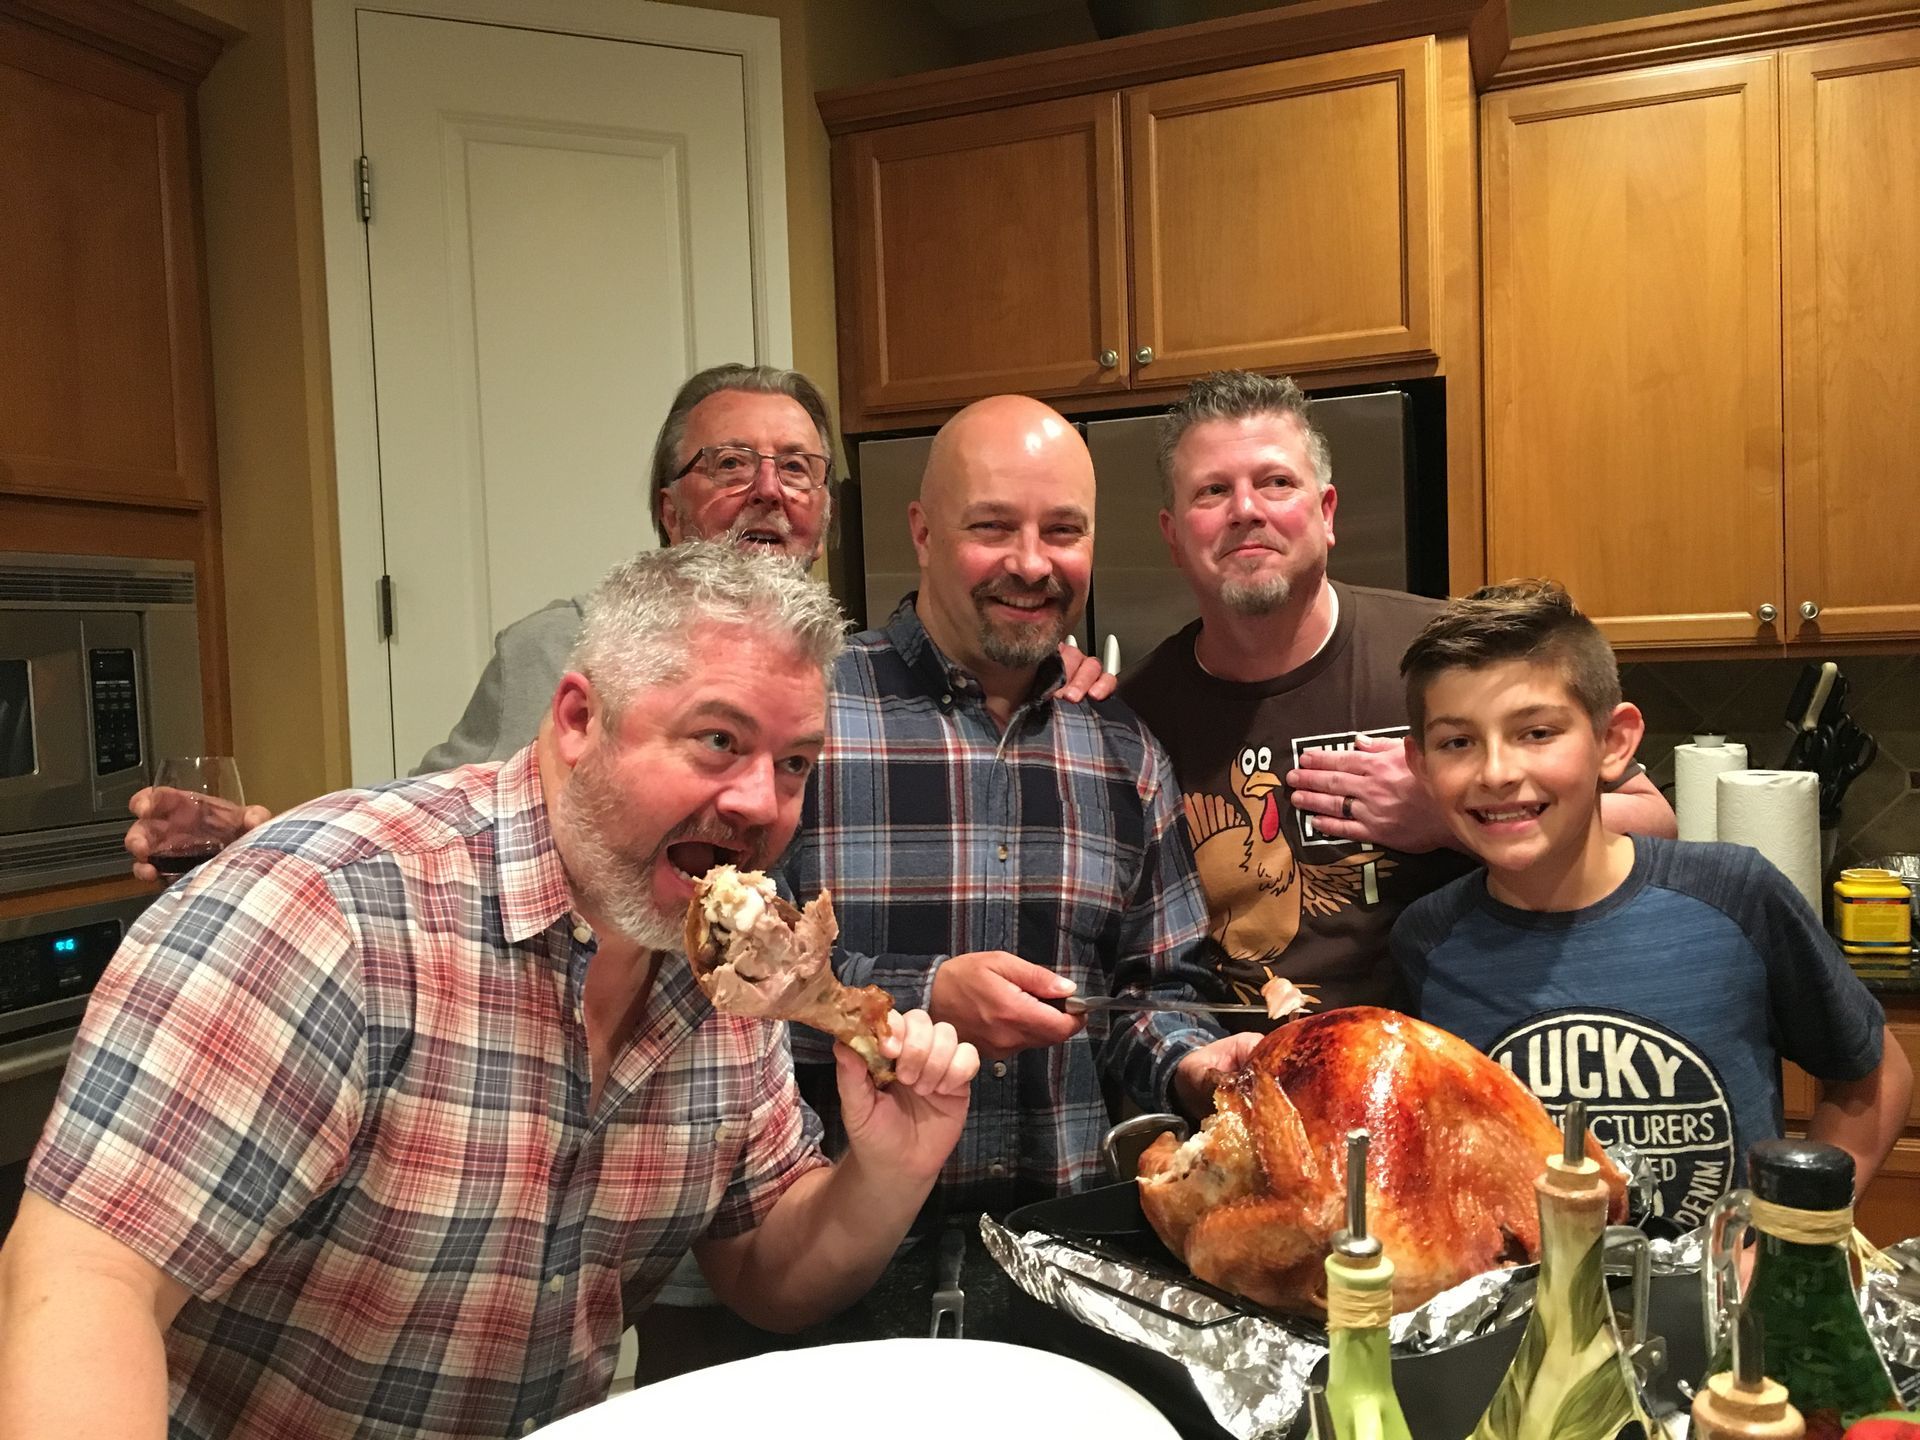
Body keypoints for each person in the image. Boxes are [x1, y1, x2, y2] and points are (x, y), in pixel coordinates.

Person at [0, 544, 979, 1438]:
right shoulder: (327, 910)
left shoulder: (726, 968)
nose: (763, 803)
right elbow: (82, 1279)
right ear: (579, 719)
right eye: (718, 740)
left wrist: (888, 1171)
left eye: (794, 762)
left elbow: (764, 1268)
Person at [123, 363, 1111, 878]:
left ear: (824, 515)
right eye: (730, 465)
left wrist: (1039, 674)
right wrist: (267, 842)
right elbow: (429, 826)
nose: (769, 491)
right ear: (669, 509)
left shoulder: (844, 671)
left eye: (798, 469)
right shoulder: (563, 647)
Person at [781, 393, 1259, 1214]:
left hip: (1067, 1244)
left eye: (1063, 531)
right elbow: (734, 988)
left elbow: (1155, 996)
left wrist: (1192, 1064)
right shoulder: (808, 716)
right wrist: (922, 999)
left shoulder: (1127, 752)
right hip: (834, 1245)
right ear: (923, 532)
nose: (1033, 564)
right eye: (993, 527)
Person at [1120, 370, 1675, 1013]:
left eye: (1276, 482)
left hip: (1457, 1050)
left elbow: (1655, 825)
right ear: (1173, 535)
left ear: (1326, 513)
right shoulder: (1132, 717)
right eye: (1213, 491)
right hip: (1232, 1064)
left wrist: (1451, 817)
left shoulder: (1449, 657)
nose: (1246, 510)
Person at [1391, 579, 1908, 1234]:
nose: (1496, 772)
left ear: (1614, 741)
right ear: (1420, 764)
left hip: (1720, 1299)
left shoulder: (1736, 897)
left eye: (1537, 732)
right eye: (1457, 743)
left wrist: (1788, 1237)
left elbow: (1876, 1080)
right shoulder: (1426, 942)